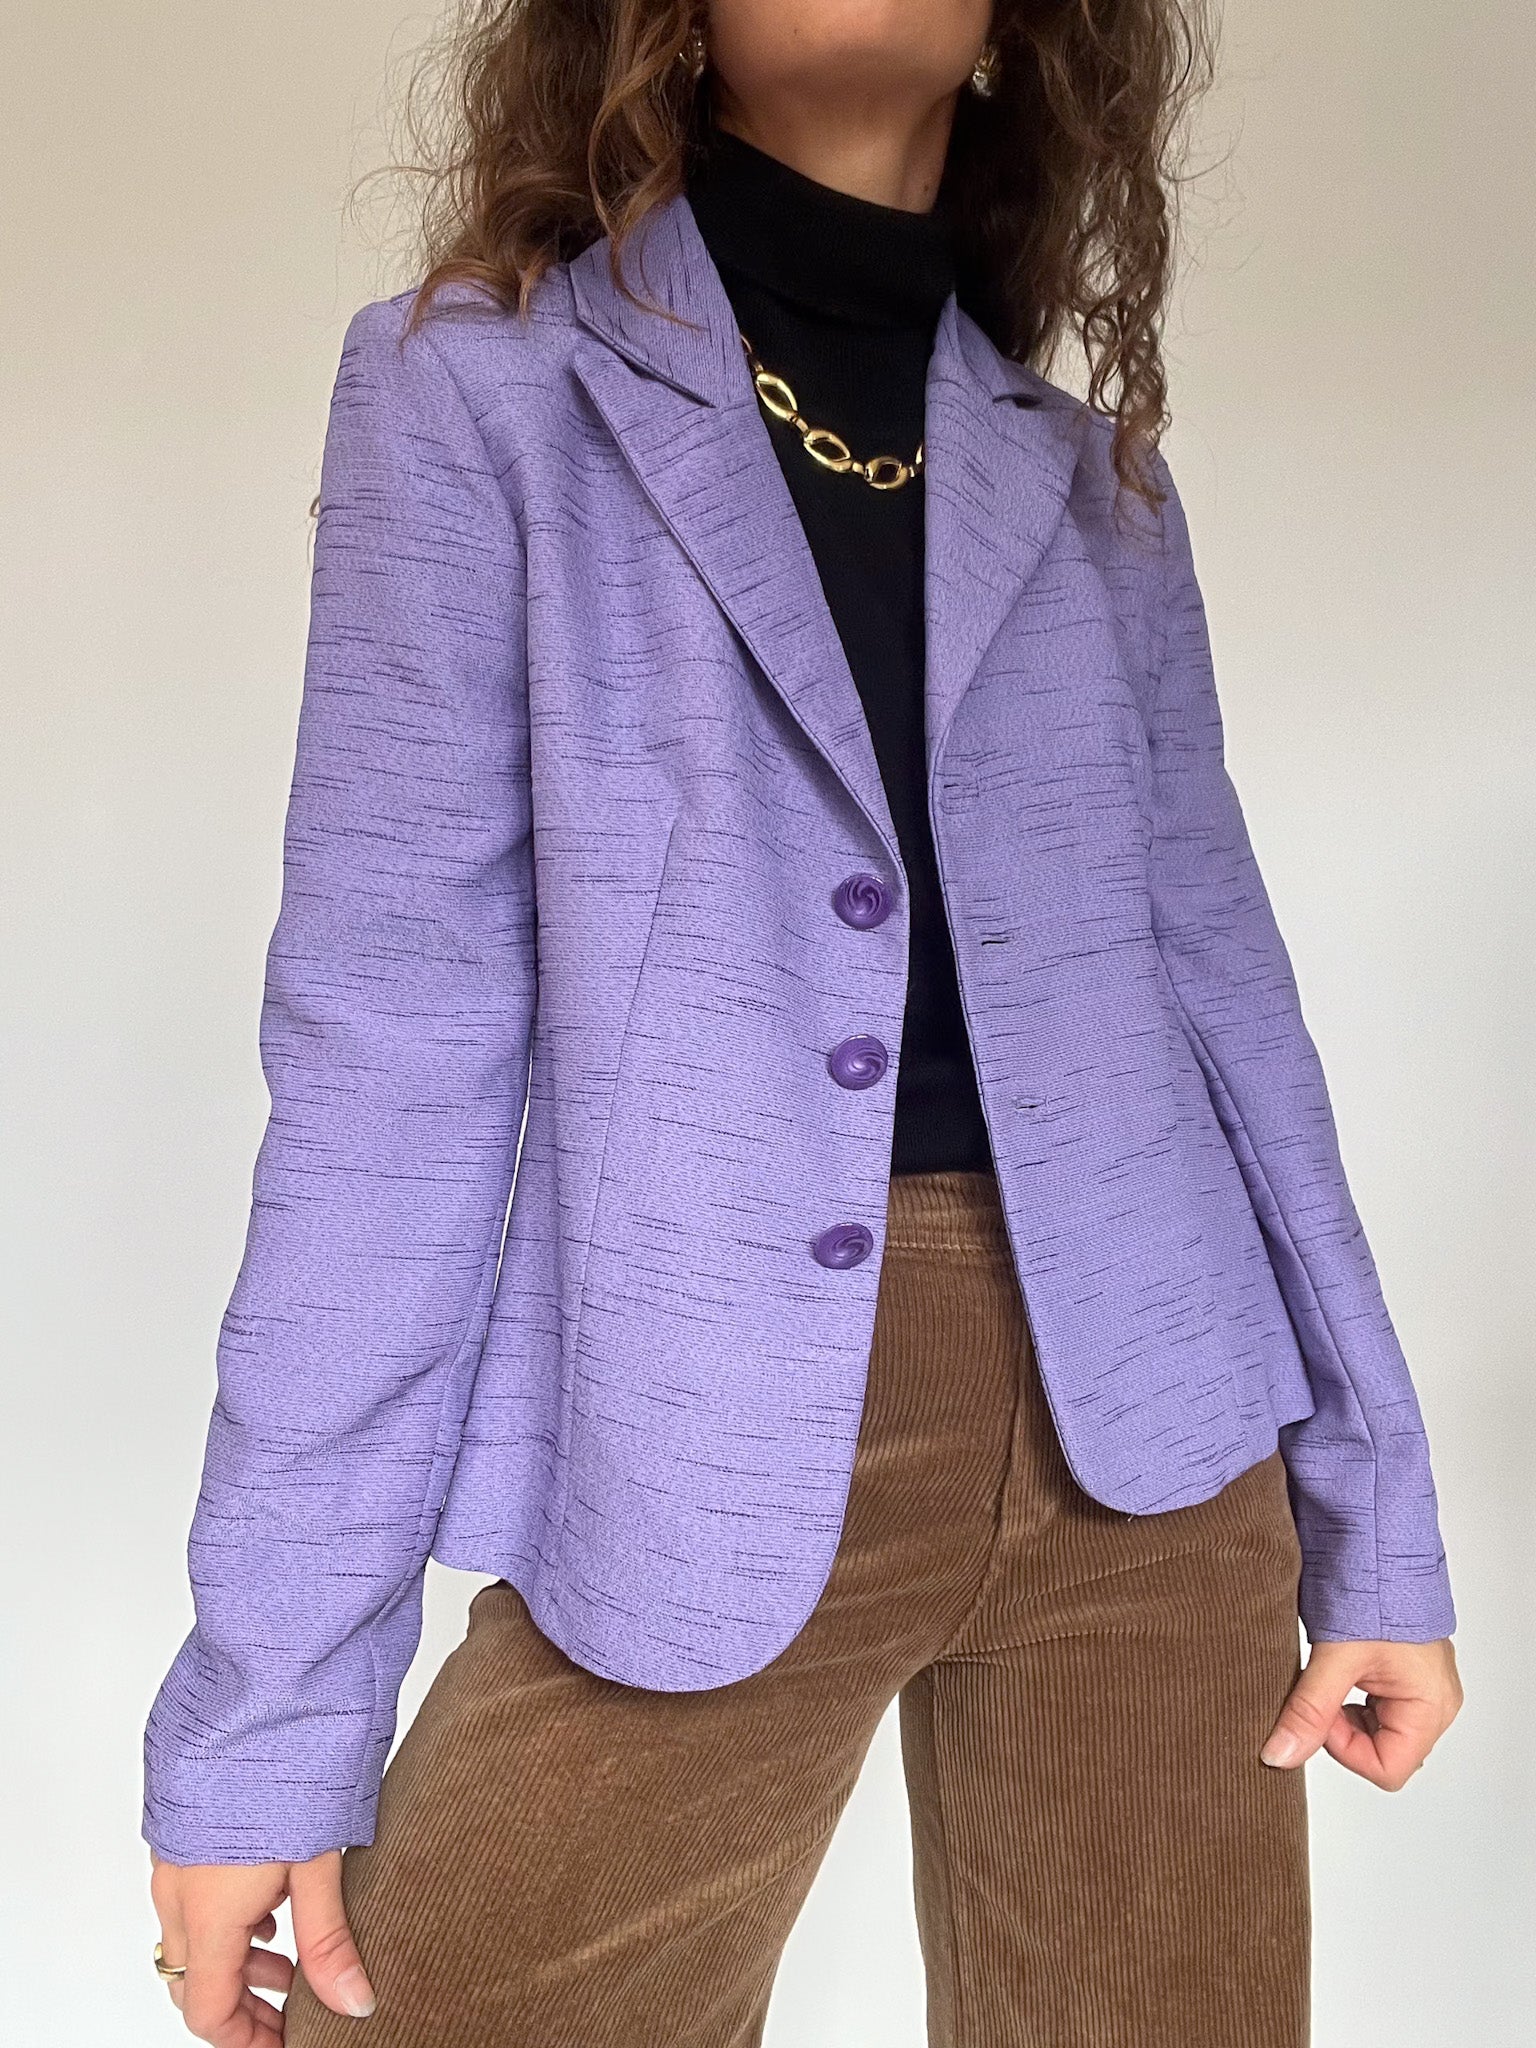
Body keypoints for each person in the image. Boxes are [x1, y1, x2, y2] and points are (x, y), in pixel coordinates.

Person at [144, 3, 1463, 2043]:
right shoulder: (479, 393)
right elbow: (386, 1078)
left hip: (1165, 1433)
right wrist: (268, 1724)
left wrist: (1377, 1522)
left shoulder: (1092, 485)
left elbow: (1235, 1013)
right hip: (702, 1429)